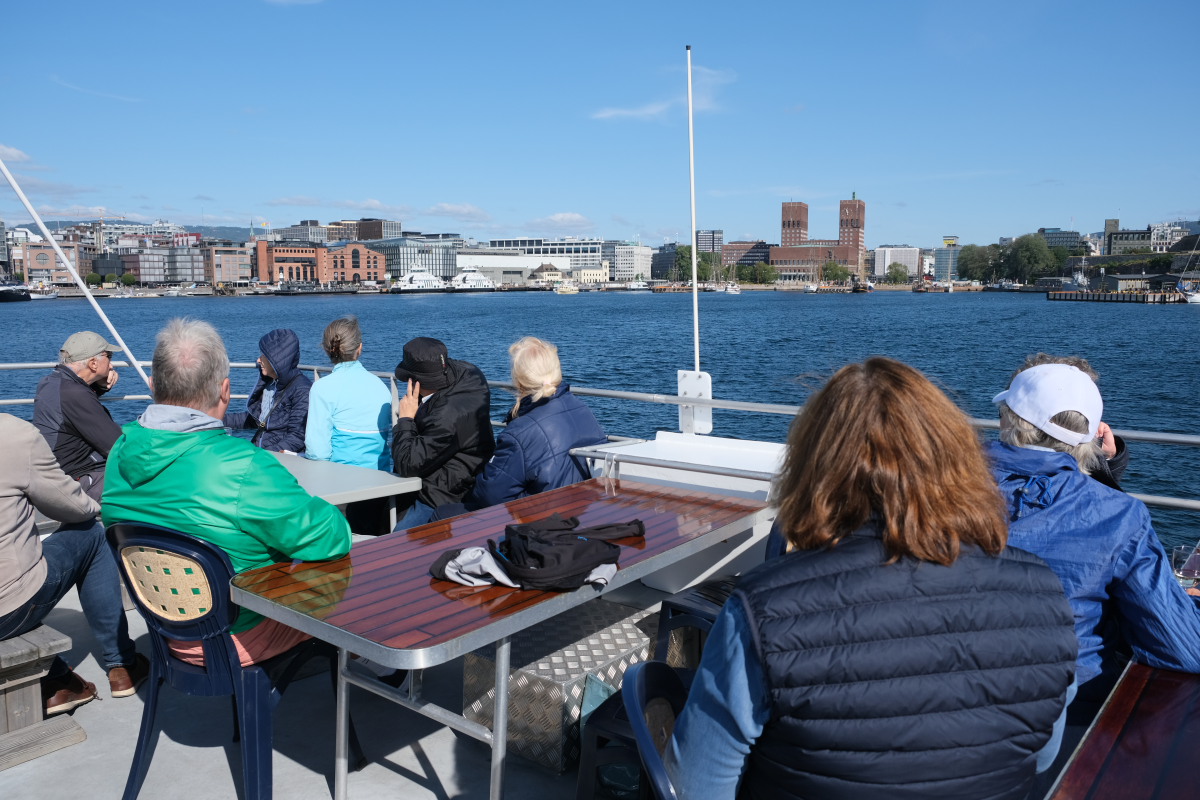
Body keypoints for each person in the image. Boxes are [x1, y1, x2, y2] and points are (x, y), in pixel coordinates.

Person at [665, 357, 1078, 800]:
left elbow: (695, 788)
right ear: (958, 463)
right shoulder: (1043, 594)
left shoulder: (762, 610)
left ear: (814, 468)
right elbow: (1041, 754)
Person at [986, 357, 1200, 785]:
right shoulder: (1117, 515)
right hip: (1072, 712)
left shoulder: (933, 488)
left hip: (942, 700)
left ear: (1007, 417)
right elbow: (1182, 648)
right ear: (1092, 436)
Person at [103, 318, 351, 667]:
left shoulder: (118, 452)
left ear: (154, 385)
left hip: (164, 626)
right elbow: (329, 539)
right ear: (224, 390)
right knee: (351, 578)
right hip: (239, 632)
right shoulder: (243, 466)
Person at [0, 413, 146, 714]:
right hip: (8, 610)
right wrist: (96, 510)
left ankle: (57, 679)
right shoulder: (13, 435)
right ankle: (122, 664)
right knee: (91, 532)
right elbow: (71, 506)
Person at [452, 336, 606, 511]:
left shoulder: (519, 431)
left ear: (518, 382)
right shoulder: (581, 408)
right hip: (583, 508)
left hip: (541, 519)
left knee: (441, 514)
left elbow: (489, 495)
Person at [391, 337, 495, 529]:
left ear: (415, 381)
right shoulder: (470, 373)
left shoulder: (444, 417)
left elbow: (407, 464)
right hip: (472, 475)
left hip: (444, 492)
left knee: (397, 542)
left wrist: (406, 418)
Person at [33, 331, 124, 502]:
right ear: (93, 363)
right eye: (109, 356)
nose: (112, 365)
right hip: (82, 483)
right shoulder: (76, 395)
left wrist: (100, 388)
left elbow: (74, 411)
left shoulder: (49, 383)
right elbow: (116, 446)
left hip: (60, 476)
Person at [305, 315, 392, 471]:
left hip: (341, 483)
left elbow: (317, 452)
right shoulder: (381, 387)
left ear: (326, 350)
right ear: (359, 348)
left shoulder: (322, 388)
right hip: (382, 480)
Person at [223, 328, 312, 453]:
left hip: (276, 460)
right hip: (262, 453)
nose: (258, 360)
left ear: (276, 360)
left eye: (263, 356)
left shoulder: (302, 390)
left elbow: (296, 438)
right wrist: (214, 418)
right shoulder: (271, 384)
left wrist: (263, 456)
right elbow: (256, 420)